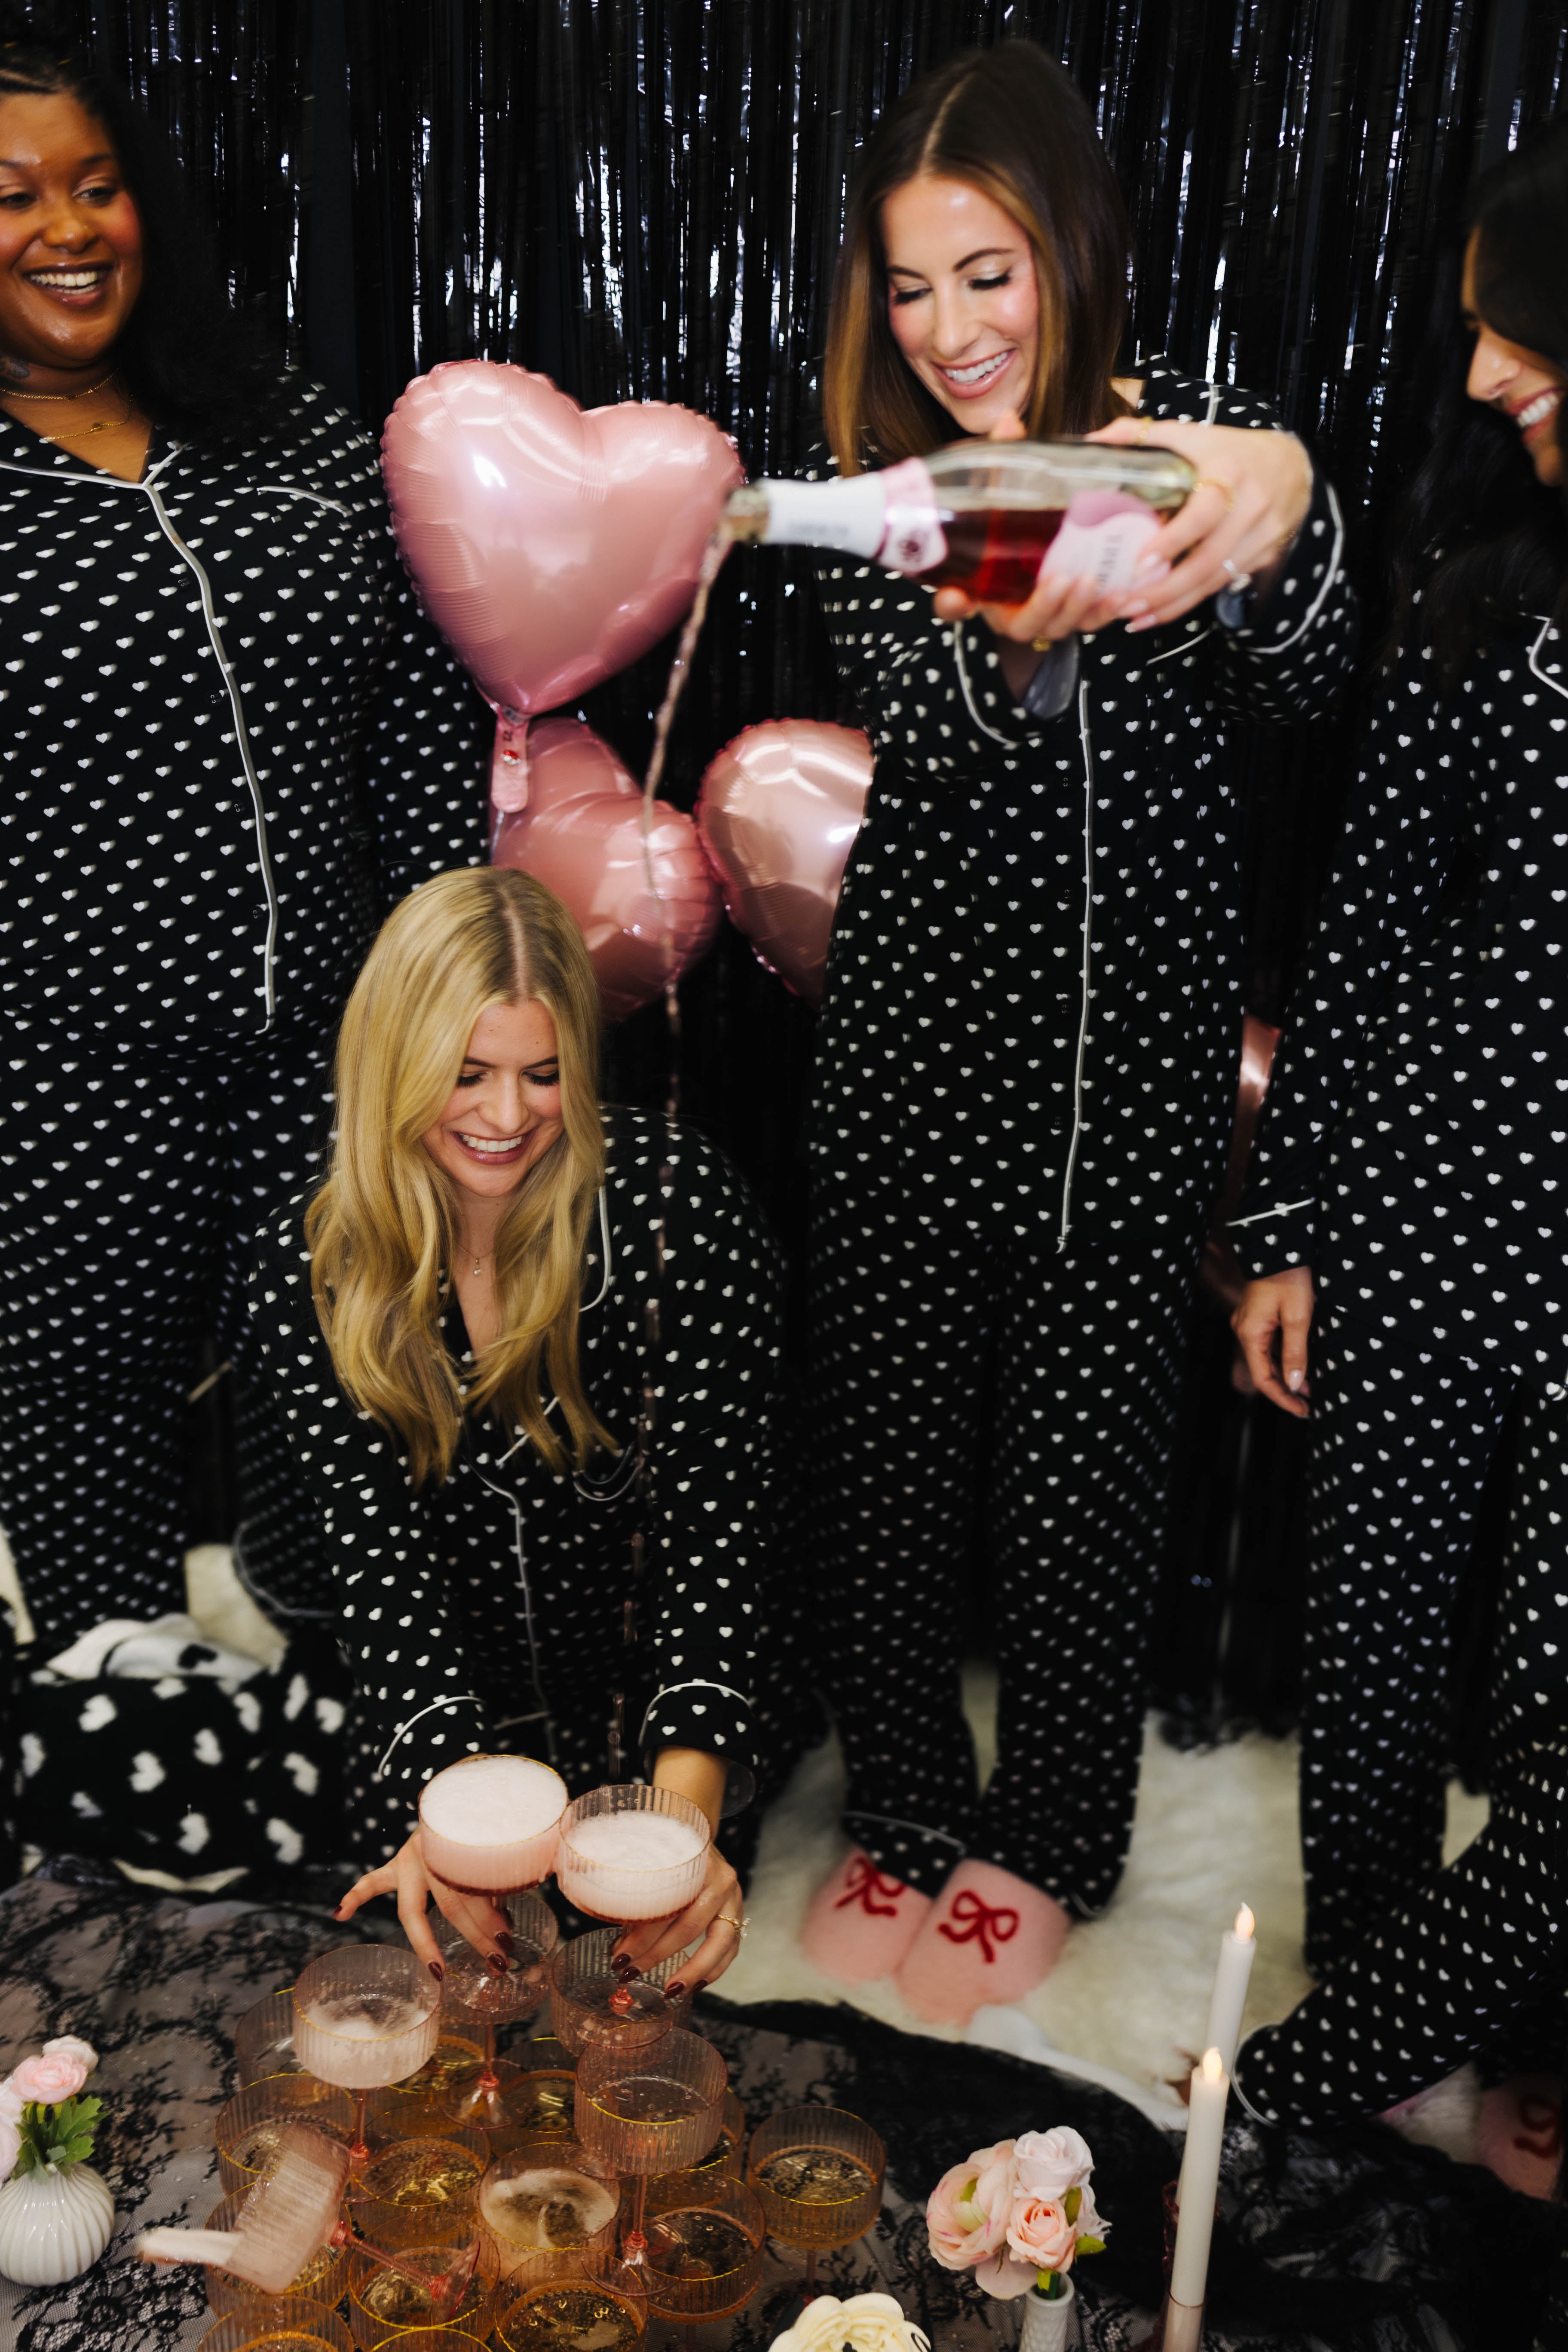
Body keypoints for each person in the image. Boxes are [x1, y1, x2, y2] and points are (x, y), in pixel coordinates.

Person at [795, 40, 1357, 2024]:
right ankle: (896, 1809)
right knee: (892, 1478)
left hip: (1123, 1114)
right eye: (917, 282)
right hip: (911, 1088)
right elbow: (946, 727)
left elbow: (1307, 683)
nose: (953, 326)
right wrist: (1021, 570)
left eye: (991, 271)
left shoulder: (1203, 462)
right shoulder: (890, 505)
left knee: (1089, 1501)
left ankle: (1052, 1843)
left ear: (1073, 250)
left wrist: (1270, 506)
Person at [0, 15, 490, 1797]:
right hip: (67, 1081)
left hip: (330, 1053)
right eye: (10, 195)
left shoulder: (268, 408)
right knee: (86, 1468)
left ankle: (365, 1802)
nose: (67, 226)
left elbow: (420, 697)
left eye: (97, 182)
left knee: (356, 1428)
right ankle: (127, 1868)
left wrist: (442, 974)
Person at [1229, 122, 1568, 2122]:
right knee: (1360, 1667)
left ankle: (1451, 2046)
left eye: (1522, 331)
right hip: (1429, 1207)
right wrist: (1292, 1222)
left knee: (1551, 1735)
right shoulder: (1474, 599)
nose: (1481, 376)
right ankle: (1358, 2045)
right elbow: (1364, 937)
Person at [246, 867, 778, 1986]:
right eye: (465, 1073)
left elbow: (720, 1538)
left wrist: (680, 1834)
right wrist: (455, 1816)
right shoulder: (318, 1260)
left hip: (653, 1723)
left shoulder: (679, 1214)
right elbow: (375, 1563)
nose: (505, 1115)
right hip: (446, 1713)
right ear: (392, 1065)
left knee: (625, 1999)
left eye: (543, 1074)